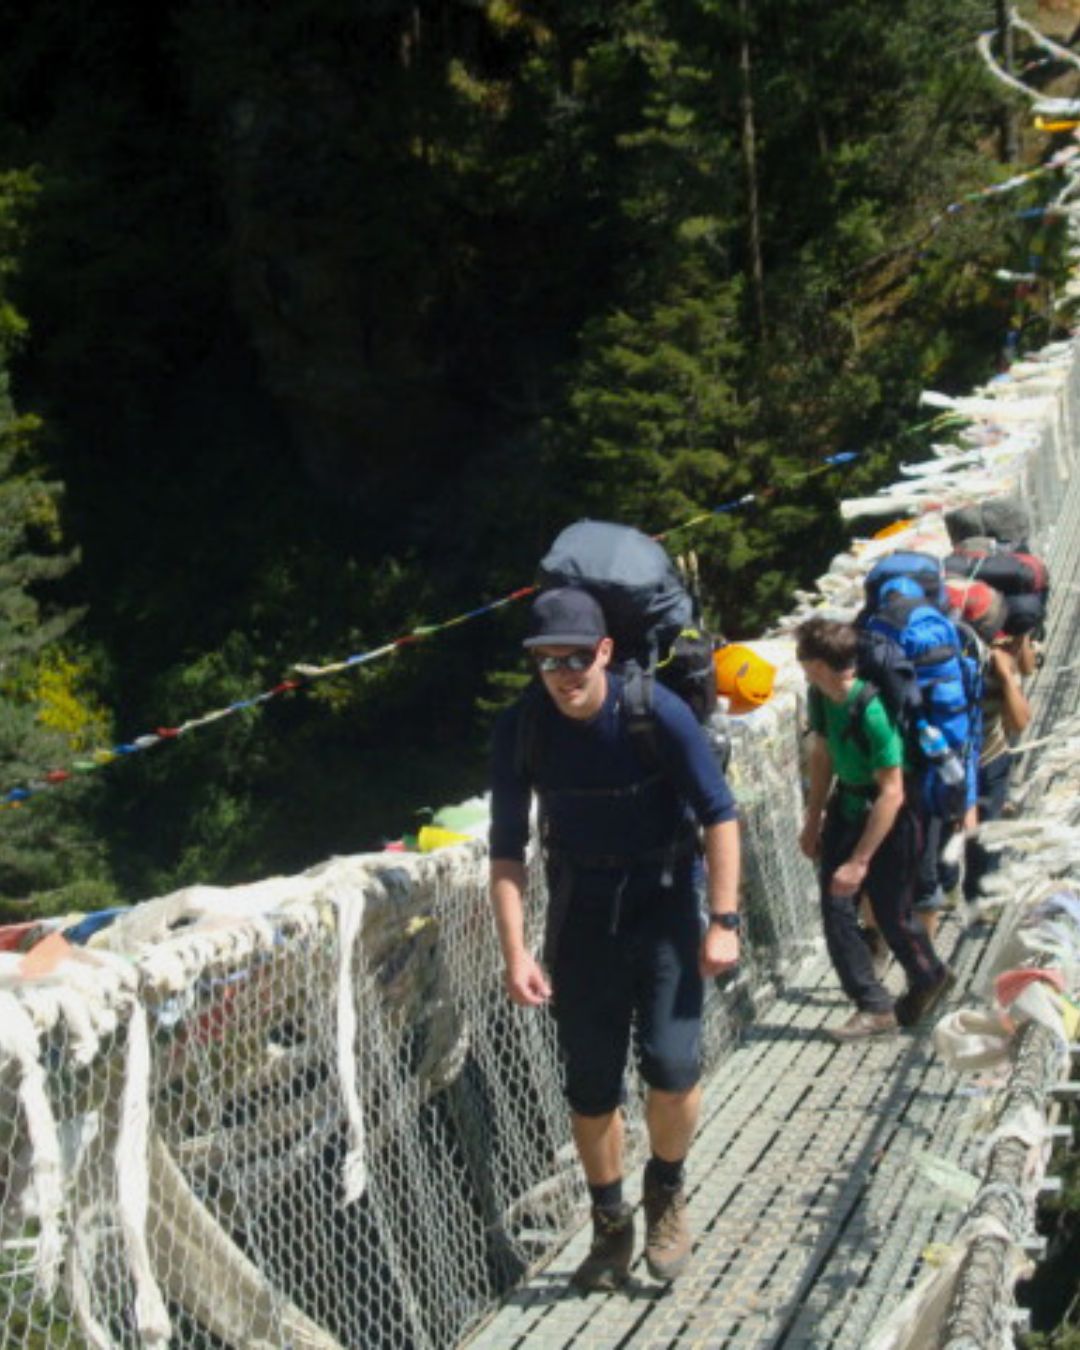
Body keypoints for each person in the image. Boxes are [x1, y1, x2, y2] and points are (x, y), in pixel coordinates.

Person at [489, 586, 740, 1293]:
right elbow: (506, 849)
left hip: (664, 904)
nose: (564, 674)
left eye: (576, 657)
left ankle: (665, 1193)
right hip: (582, 912)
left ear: (603, 652)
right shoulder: (521, 729)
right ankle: (609, 1225)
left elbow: (719, 812)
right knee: (591, 1083)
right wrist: (515, 951)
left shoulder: (653, 711)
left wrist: (723, 920)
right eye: (547, 661)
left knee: (672, 1065)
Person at [795, 616, 954, 1041]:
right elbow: (823, 755)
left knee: (890, 909)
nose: (802, 669)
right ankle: (874, 1005)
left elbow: (892, 793)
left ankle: (929, 975)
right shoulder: (821, 696)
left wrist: (860, 861)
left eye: (805, 662)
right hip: (847, 804)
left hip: (892, 815)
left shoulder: (873, 711)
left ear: (820, 664)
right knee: (836, 908)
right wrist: (813, 821)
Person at [963, 628, 1034, 900]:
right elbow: (1019, 722)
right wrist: (1007, 676)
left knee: (986, 833)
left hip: (981, 758)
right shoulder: (997, 664)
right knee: (981, 833)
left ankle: (978, 895)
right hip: (982, 759)